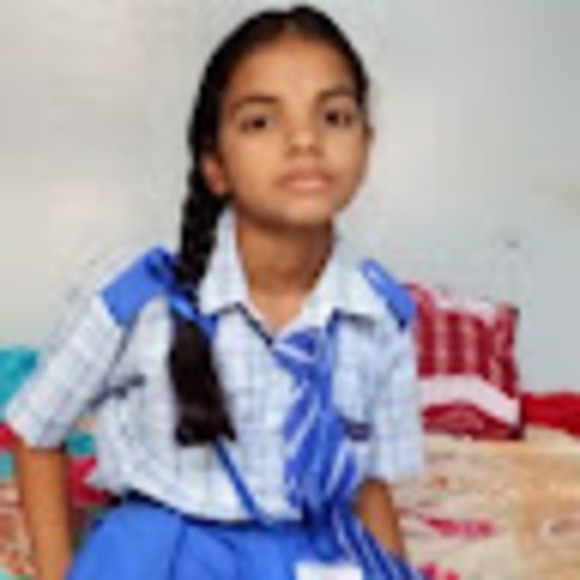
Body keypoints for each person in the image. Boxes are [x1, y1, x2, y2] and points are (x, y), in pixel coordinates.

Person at [6, 4, 425, 579]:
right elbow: (36, 432)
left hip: (314, 552)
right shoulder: (141, 297)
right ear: (215, 165)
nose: (305, 140)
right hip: (164, 554)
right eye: (260, 122)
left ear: (367, 145)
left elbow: (368, 488)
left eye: (334, 116)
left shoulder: (381, 316)